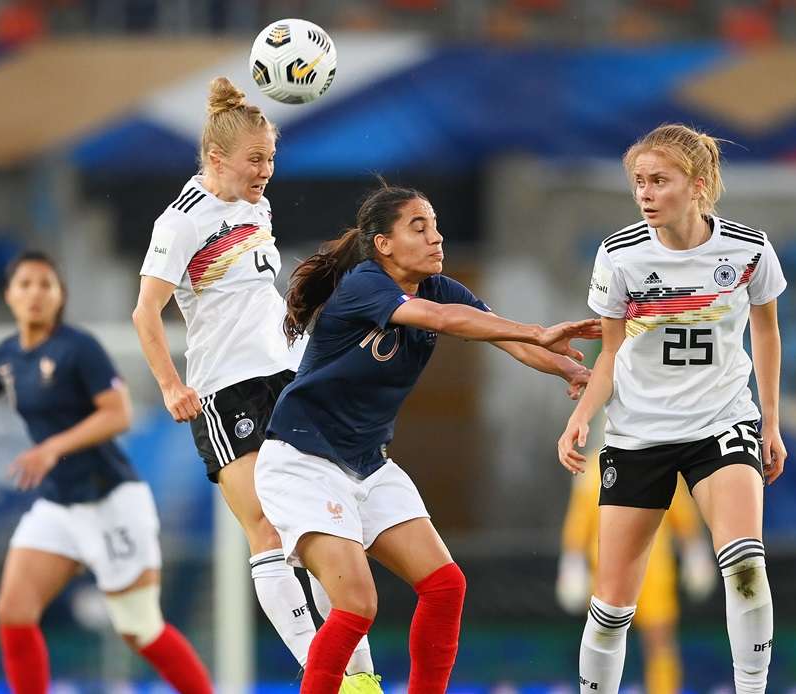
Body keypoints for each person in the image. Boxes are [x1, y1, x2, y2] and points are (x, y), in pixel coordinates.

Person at [256, 183, 598, 694]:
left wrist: (569, 373)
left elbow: (499, 335)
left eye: (436, 225)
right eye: (419, 227)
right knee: (357, 606)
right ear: (383, 245)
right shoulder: (364, 285)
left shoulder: (438, 287)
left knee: (444, 586)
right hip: (303, 461)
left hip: (366, 464)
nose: (436, 238)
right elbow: (446, 322)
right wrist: (536, 330)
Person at [131, 77, 382, 691]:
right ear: (217, 160)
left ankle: (364, 676)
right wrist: (169, 385)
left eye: (271, 158)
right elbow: (144, 312)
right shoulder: (181, 222)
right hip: (226, 392)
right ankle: (326, 676)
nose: (266, 170)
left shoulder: (256, 205)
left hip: (289, 380)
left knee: (322, 527)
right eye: (255, 160)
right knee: (268, 532)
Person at [0, 252, 212, 694]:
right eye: (25, 284)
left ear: (60, 295)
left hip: (110, 499)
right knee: (13, 610)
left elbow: (117, 415)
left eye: (45, 284)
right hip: (59, 505)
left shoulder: (77, 348)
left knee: (140, 628)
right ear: (9, 295)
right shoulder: (9, 355)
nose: (35, 293)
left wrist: (53, 447)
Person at [557, 123, 787, 694]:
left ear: (699, 184)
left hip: (723, 422)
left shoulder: (748, 250)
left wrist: (771, 424)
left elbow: (767, 334)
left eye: (659, 181)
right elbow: (610, 351)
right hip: (639, 435)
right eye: (639, 182)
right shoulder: (619, 256)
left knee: (746, 567)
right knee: (610, 608)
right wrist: (582, 413)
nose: (646, 194)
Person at [558, 455, 716, 694]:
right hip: (607, 570)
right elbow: (579, 520)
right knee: (602, 639)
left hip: (653, 569)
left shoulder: (662, 464)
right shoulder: (593, 471)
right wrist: (573, 562)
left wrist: (695, 551)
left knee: (659, 640)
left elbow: (682, 514)